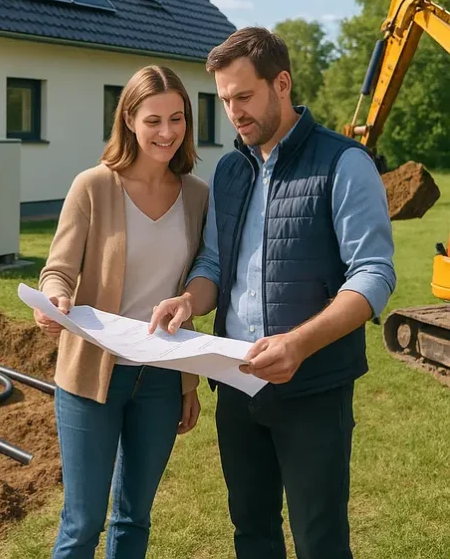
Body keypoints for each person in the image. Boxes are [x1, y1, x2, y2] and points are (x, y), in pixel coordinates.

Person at [149, 27, 396, 559]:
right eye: (225, 100)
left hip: (314, 387)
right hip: (237, 384)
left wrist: (299, 344)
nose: (233, 112)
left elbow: (373, 274)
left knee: (319, 540)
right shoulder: (229, 170)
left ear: (281, 84)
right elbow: (214, 264)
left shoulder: (344, 162)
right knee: (252, 532)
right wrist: (189, 301)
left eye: (243, 96)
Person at [34, 65, 209, 559]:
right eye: (154, 120)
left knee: (134, 518)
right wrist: (55, 300)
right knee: (82, 522)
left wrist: (188, 384)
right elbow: (57, 271)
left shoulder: (197, 195)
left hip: (161, 380)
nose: (167, 132)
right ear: (129, 119)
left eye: (177, 119)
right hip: (92, 375)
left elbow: (195, 287)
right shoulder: (93, 186)